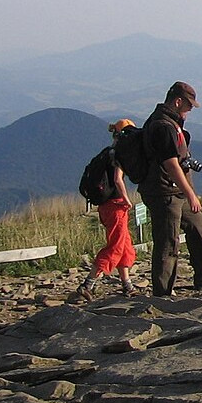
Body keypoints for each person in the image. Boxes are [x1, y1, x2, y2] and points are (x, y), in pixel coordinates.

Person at [138, 81, 202, 296]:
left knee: (197, 225)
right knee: (168, 242)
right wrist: (191, 194)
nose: (190, 110)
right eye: (188, 106)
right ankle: (163, 293)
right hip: (164, 192)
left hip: (175, 191)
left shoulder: (168, 123)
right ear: (177, 101)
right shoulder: (163, 127)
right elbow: (171, 164)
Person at [69, 119, 139, 302]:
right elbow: (117, 179)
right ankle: (88, 284)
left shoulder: (106, 153)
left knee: (124, 245)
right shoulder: (118, 155)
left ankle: (127, 285)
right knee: (115, 246)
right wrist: (126, 199)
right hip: (116, 206)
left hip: (105, 207)